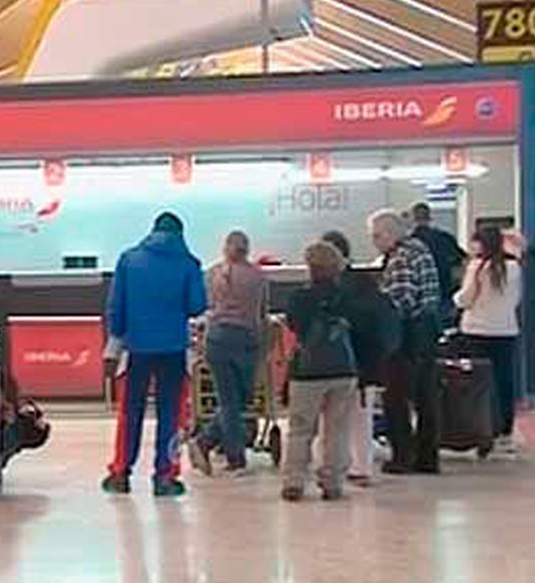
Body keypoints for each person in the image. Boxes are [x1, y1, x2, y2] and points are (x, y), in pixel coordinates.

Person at [103, 212, 208, 497]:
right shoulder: (189, 263)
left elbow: (116, 306)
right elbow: (197, 305)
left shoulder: (129, 260)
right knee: (172, 414)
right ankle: (165, 476)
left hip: (136, 348)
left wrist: (116, 341)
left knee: (130, 412)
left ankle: (120, 473)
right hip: (173, 347)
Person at [281, 241, 361, 502]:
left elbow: (294, 326)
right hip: (343, 368)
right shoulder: (349, 296)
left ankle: (294, 482)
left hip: (308, 370)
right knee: (337, 429)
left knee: (301, 429)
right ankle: (333, 483)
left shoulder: (299, 298)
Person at [188, 231, 267, 478]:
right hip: (246, 339)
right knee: (240, 399)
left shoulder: (212, 274)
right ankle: (233, 457)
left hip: (218, 339)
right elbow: (262, 312)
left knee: (228, 400)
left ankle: (206, 442)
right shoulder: (257, 277)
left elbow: (204, 308)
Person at [369, 209, 442, 474]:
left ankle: (403, 457)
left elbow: (401, 300)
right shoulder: (420, 248)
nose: (374, 242)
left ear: (390, 233)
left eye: (376, 236)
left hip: (408, 336)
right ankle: (427, 457)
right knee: (426, 398)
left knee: (396, 399)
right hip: (428, 332)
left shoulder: (400, 257)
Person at [319, 229, 389, 485]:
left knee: (339, 417)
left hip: (344, 360)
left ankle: (351, 465)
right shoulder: (364, 283)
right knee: (360, 415)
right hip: (364, 360)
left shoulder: (333, 288)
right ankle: (359, 466)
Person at [454, 227, 523, 455]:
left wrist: (455, 298)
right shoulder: (514, 268)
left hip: (476, 331)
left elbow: (465, 299)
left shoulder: (478, 267)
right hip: (505, 331)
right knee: (505, 382)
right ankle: (506, 432)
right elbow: (516, 300)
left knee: (479, 386)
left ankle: (482, 430)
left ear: (481, 244)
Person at [409, 202, 466, 322]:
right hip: (445, 291)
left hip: (420, 297)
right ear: (430, 217)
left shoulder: (408, 243)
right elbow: (461, 262)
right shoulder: (445, 238)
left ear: (412, 218)